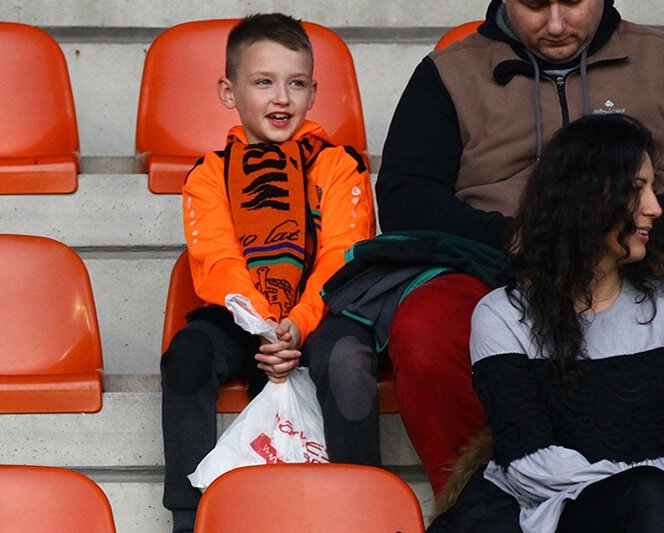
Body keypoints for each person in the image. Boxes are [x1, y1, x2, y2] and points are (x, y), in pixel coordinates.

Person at [376, 0, 664, 496]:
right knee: (425, 328)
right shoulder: (449, 73)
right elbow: (406, 198)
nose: (555, 23)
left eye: (572, 2)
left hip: (639, 258)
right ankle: (475, 499)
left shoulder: (656, 60)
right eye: (533, 4)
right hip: (494, 265)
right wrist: (517, 239)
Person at [160, 13, 378, 532]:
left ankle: (365, 510)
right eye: (263, 83)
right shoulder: (209, 174)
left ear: (313, 93)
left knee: (348, 361)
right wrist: (263, 326)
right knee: (186, 357)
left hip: (322, 312)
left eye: (296, 84)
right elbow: (217, 262)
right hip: (244, 317)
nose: (281, 98)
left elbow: (341, 258)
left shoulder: (340, 165)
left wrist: (296, 325)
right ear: (228, 92)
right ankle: (191, 518)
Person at [431, 113, 664, 531]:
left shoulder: (660, 309)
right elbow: (529, 462)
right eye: (635, 190)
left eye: (652, 188)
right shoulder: (503, 315)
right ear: (586, 199)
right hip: (540, 514)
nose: (655, 208)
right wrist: (638, 487)